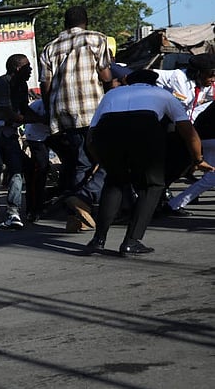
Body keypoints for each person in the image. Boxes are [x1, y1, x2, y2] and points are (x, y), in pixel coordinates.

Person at [85, 69, 214, 255]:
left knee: (115, 182)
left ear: (128, 81)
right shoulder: (163, 94)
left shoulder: (112, 94)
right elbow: (188, 131)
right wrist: (198, 159)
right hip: (144, 130)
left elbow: (91, 134)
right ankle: (132, 241)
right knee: (152, 185)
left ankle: (98, 240)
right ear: (154, 82)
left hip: (107, 132)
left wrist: (100, 159)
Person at [39, 6, 113, 231]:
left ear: (64, 23)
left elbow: (46, 84)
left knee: (80, 162)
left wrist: (49, 109)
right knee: (110, 158)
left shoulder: (49, 47)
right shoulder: (97, 39)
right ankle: (86, 198)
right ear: (86, 22)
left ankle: (77, 216)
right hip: (93, 111)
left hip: (64, 114)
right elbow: (106, 75)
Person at [0, 54, 44, 230]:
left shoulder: (22, 85)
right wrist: (34, 120)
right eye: (27, 66)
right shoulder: (2, 83)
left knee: (16, 170)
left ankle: (13, 211)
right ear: (17, 68)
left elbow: (23, 109)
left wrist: (41, 118)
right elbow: (9, 112)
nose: (30, 70)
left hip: (9, 134)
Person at [159, 54, 215, 215]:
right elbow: (180, 112)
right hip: (169, 125)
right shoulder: (179, 79)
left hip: (186, 127)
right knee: (174, 165)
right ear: (198, 73)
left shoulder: (202, 85)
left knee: (179, 166)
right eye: (210, 75)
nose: (213, 79)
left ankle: (164, 199)